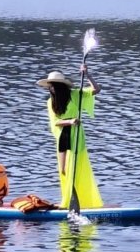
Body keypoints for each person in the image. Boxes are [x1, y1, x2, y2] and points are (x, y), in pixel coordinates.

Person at [37, 66, 103, 209]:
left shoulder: (75, 94)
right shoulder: (50, 102)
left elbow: (96, 90)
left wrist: (88, 75)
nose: (51, 89)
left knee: (74, 167)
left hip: (76, 135)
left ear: (60, 86)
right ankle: (67, 200)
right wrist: (70, 121)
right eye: (50, 87)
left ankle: (80, 201)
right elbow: (55, 122)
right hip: (63, 135)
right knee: (63, 170)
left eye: (53, 86)